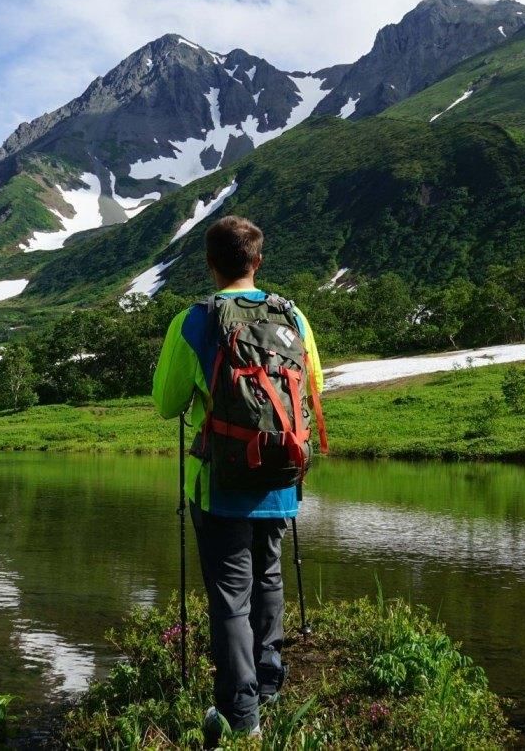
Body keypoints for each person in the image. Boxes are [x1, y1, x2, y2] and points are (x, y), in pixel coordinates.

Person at [152, 215, 324, 743]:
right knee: (268, 577)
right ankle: (268, 686)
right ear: (258, 261)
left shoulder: (195, 321)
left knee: (230, 597)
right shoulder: (292, 315)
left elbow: (165, 403)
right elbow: (314, 383)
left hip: (218, 483)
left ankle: (239, 714)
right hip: (279, 476)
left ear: (210, 264)